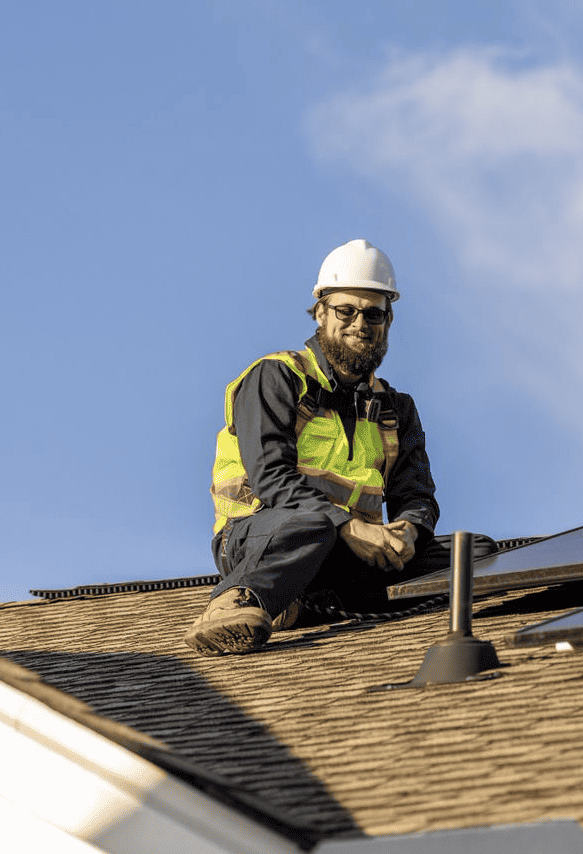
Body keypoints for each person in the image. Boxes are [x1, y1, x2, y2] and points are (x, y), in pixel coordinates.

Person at [186, 239, 472, 654]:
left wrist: (406, 533)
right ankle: (238, 600)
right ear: (321, 312)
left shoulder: (396, 408)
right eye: (346, 311)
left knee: (472, 554)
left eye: (374, 313)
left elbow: (416, 496)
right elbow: (272, 480)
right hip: (264, 540)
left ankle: (311, 602)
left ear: (388, 321)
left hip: (349, 551)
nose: (360, 323)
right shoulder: (278, 378)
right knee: (313, 523)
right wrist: (347, 525)